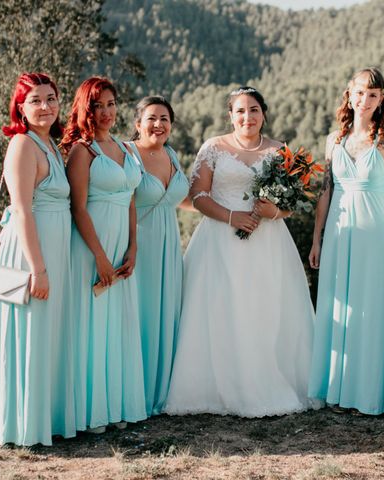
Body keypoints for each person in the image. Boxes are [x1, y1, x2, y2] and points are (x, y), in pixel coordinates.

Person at [164, 86, 317, 417]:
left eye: (254, 110)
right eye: (240, 111)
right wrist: (233, 216)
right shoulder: (214, 148)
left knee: (266, 308)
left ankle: (270, 380)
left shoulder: (281, 151)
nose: (247, 117)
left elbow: (291, 205)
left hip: (268, 240)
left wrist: (271, 212)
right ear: (230, 116)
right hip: (219, 238)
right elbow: (199, 196)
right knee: (220, 308)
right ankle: (214, 389)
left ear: (263, 114)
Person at [0, 73, 75, 446]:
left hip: (54, 250)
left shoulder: (51, 146)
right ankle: (21, 426)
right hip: (31, 253)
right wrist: (38, 269)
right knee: (29, 332)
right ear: (20, 107)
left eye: (51, 98)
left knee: (46, 335)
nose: (45, 106)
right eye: (35, 100)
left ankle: (43, 417)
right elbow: (22, 210)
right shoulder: (22, 145)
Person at [307, 68, 384, 415]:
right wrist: (317, 239)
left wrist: (375, 196)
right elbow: (326, 191)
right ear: (349, 93)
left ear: (381, 100)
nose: (365, 100)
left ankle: (369, 392)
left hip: (377, 231)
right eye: (360, 92)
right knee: (340, 304)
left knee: (373, 305)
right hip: (338, 228)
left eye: (374, 95)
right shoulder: (334, 140)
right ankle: (338, 387)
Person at [61, 77, 146, 433]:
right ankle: (92, 413)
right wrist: (99, 256)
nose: (107, 112)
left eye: (111, 104)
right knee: (94, 327)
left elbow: (129, 197)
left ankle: (118, 406)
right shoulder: (83, 151)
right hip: (91, 249)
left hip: (122, 249)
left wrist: (133, 245)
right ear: (86, 108)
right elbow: (78, 209)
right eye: (99, 106)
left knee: (118, 325)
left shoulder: (126, 149)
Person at [125, 96, 190, 416]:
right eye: (151, 118)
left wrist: (229, 211)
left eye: (165, 119)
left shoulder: (172, 155)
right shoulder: (127, 154)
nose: (158, 124)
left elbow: (183, 200)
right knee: (141, 313)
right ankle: (135, 392)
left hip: (169, 245)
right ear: (138, 124)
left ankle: (163, 391)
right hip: (138, 245)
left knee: (166, 312)